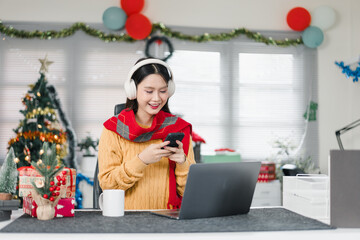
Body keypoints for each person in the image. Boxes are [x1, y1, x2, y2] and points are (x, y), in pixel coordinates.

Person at [98, 58, 196, 210]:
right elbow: (108, 185)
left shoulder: (178, 128)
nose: (157, 98)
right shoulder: (113, 129)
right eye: (149, 91)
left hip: (169, 220)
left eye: (163, 91)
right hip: (126, 221)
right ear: (132, 90)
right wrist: (141, 160)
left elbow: (190, 192)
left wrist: (182, 163)